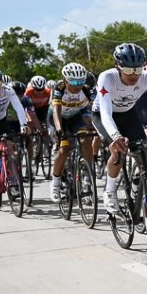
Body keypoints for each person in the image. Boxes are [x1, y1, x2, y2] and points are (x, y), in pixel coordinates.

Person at [96, 43, 147, 213]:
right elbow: (105, 113)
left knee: (145, 158)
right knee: (118, 150)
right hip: (103, 115)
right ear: (117, 66)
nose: (134, 75)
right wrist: (115, 136)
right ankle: (110, 191)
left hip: (128, 114)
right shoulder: (107, 77)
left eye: (138, 70)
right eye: (128, 70)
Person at [48, 62, 97, 201]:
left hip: (76, 117)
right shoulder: (59, 88)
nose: (77, 86)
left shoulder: (87, 89)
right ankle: (55, 183)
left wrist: (99, 126)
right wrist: (59, 129)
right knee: (64, 149)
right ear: (65, 80)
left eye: (81, 82)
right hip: (59, 118)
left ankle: (87, 173)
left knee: (85, 139)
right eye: (74, 82)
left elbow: (96, 109)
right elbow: (56, 111)